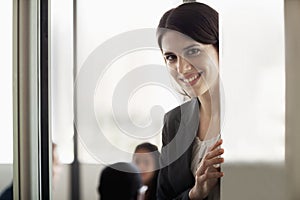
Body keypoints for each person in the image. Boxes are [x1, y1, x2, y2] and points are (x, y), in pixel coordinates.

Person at [156, 2, 225, 200]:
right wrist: (195, 194)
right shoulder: (173, 122)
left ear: (219, 48)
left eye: (193, 51)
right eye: (171, 57)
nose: (182, 68)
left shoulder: (251, 115)